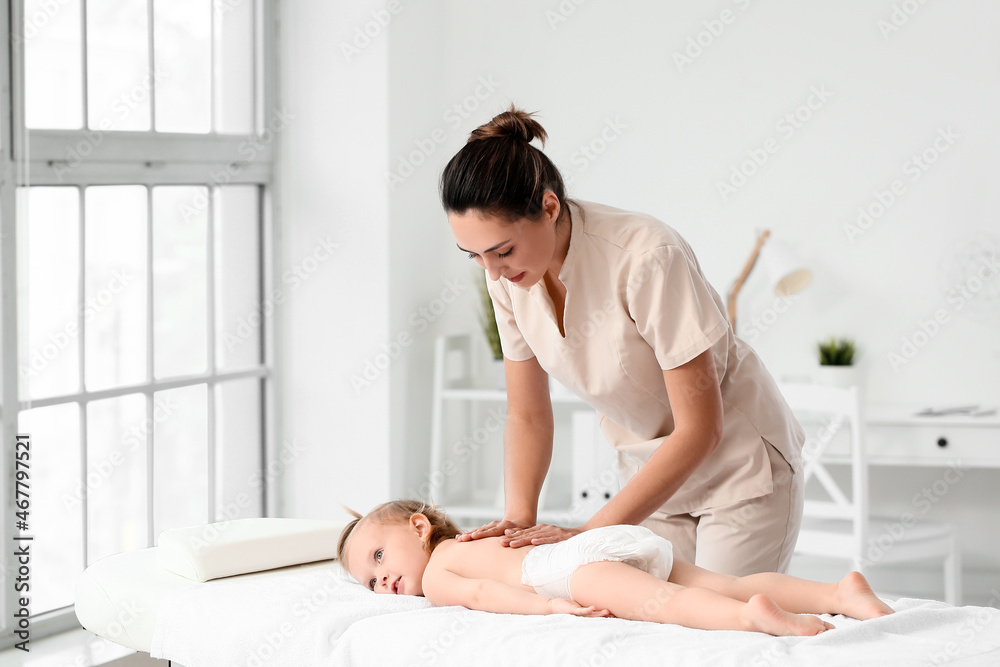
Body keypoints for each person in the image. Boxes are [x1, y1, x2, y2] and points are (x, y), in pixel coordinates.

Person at [439, 105, 806, 575]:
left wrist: (587, 536)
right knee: (649, 623)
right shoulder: (507, 278)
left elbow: (700, 429)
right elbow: (528, 414)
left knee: (724, 625)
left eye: (502, 250)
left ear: (549, 207)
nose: (492, 270)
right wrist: (517, 519)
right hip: (652, 481)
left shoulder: (646, 256)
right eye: (474, 256)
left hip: (739, 467)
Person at [337, 500, 895, 636]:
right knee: (725, 579)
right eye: (369, 579)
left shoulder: (438, 573)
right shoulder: (481, 533)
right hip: (609, 541)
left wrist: (548, 605)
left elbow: (484, 595)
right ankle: (840, 593)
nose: (380, 580)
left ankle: (755, 621)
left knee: (674, 607)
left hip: (570, 571)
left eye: (378, 557)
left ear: (418, 527)